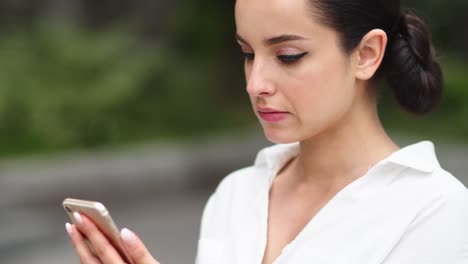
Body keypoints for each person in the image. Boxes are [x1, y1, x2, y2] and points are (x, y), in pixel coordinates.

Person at [65, 0, 468, 263]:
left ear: (366, 54)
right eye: (247, 53)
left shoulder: (435, 210)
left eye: (288, 56)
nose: (256, 82)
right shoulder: (235, 195)